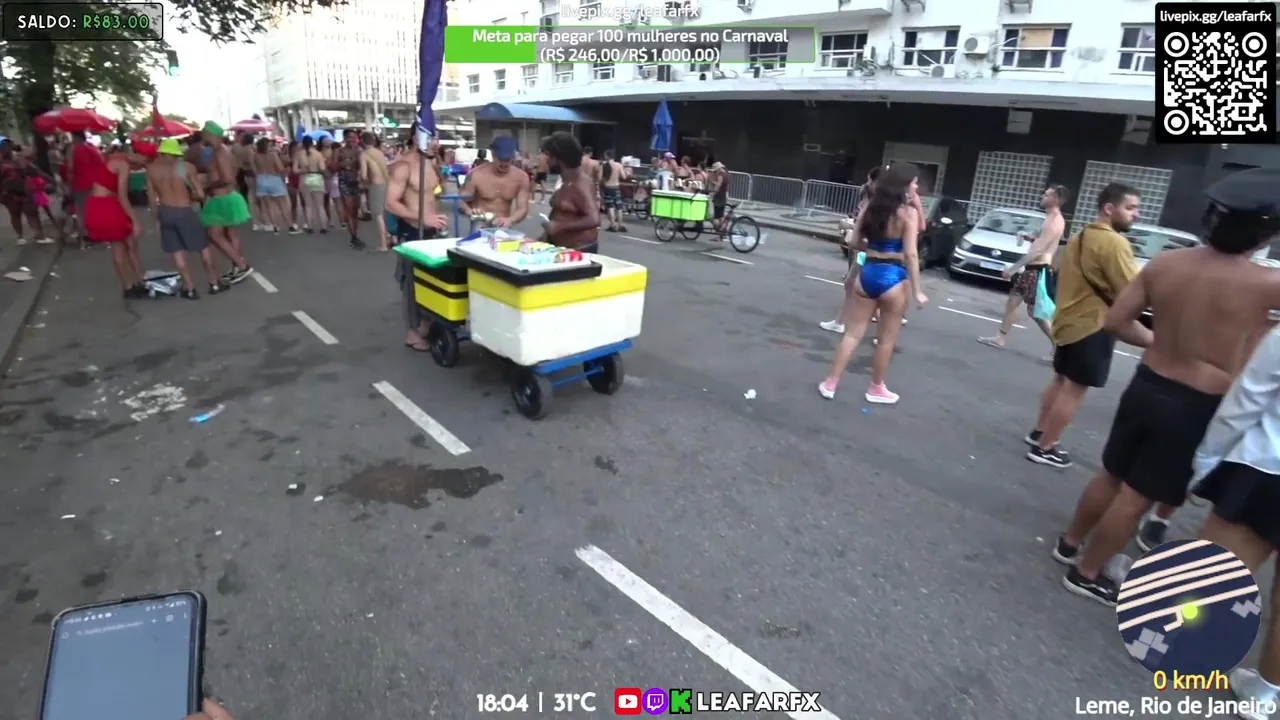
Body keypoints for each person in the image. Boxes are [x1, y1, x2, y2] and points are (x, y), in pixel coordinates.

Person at [1054, 168, 1280, 605]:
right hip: (1197, 403)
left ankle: (1069, 543)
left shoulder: (1166, 263)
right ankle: (1088, 572)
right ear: (1262, 234)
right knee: (1138, 496)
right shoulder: (1268, 284)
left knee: (1111, 474)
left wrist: (1160, 342)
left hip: (1148, 381)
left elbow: (1116, 321)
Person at [1192, 323, 1280, 715]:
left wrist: (1207, 457)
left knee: (1216, 569)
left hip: (1266, 466)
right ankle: (1264, 693)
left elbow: (1247, 399)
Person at [1025, 183, 1141, 469]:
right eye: (1130, 208)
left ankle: (1039, 432)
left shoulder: (1081, 235)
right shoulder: (1115, 243)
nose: (1136, 214)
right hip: (1094, 325)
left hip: (1068, 321)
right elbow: (1131, 290)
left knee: (1060, 380)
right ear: (1109, 208)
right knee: (1074, 389)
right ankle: (1046, 447)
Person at [817, 163, 928, 404]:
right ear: (904, 185)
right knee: (886, 340)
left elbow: (854, 241)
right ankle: (876, 388)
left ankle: (830, 383)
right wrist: (918, 291)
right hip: (894, 277)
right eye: (914, 182)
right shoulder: (907, 213)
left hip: (867, 273)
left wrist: (875, 250)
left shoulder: (870, 207)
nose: (917, 186)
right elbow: (911, 254)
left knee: (853, 334)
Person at [979, 185, 1070, 362]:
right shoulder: (1049, 218)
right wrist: (1027, 236)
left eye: (1047, 195)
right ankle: (1000, 338)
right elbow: (1039, 238)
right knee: (1014, 303)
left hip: (1037, 270)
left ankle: (1059, 347)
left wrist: (1013, 268)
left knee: (1035, 313)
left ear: (1056, 200)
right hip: (1033, 269)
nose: (1042, 196)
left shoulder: (1055, 221)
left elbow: (1038, 250)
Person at [386, 123, 449, 352]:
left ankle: (425, 325)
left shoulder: (431, 164)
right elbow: (390, 203)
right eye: (430, 138)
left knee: (432, 281)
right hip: (412, 232)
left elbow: (433, 195)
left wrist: (435, 215)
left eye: (436, 138)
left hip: (432, 231)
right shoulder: (403, 167)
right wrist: (422, 217)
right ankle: (412, 334)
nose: (435, 143)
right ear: (415, 137)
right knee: (411, 285)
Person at [146, 138, 226, 298]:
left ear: (161, 153)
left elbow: (152, 197)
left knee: (177, 251)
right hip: (184, 211)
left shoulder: (152, 170)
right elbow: (200, 194)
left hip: (165, 211)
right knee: (203, 248)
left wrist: (157, 218)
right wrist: (193, 196)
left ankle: (189, 288)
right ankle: (214, 283)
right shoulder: (185, 167)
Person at [79, 137, 146, 296]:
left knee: (127, 243)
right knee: (120, 245)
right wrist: (135, 221)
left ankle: (138, 281)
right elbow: (123, 196)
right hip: (107, 206)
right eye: (145, 161)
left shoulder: (109, 158)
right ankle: (131, 285)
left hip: (97, 204)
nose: (144, 165)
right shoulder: (123, 164)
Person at [198, 121, 254, 285]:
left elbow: (227, 178)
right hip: (228, 197)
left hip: (222, 198)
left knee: (214, 234)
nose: (202, 135)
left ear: (211, 134)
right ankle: (238, 266)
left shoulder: (219, 152)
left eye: (204, 132)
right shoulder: (223, 150)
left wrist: (207, 186)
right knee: (230, 233)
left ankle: (242, 265)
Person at [540, 132, 600, 254]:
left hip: (579, 251)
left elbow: (594, 219)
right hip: (561, 248)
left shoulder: (581, 184)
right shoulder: (566, 181)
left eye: (548, 155)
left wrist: (559, 226)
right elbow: (560, 213)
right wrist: (546, 236)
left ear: (559, 159)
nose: (546, 160)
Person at [458, 136, 529, 230]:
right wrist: (469, 212)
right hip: (480, 226)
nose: (504, 164)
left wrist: (510, 220)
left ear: (513, 156)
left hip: (503, 228)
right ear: (493, 154)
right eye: (500, 159)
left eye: (507, 159)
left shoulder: (521, 177)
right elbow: (460, 201)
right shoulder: (476, 175)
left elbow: (522, 209)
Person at [251, 137, 295, 234]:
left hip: (261, 179)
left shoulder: (255, 156)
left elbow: (254, 169)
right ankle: (290, 227)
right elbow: (280, 168)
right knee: (282, 204)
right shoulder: (273, 155)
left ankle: (275, 227)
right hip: (273, 178)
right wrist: (286, 169)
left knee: (268, 205)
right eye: (270, 145)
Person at [359, 132, 391, 251]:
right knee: (385, 213)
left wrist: (364, 183)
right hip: (386, 184)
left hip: (376, 186)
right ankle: (389, 236)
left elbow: (364, 175)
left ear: (362, 142)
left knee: (378, 216)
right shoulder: (379, 153)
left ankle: (383, 244)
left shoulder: (364, 155)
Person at [335, 129, 364, 249]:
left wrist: (354, 162)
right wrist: (343, 164)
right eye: (349, 137)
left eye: (354, 137)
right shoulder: (339, 151)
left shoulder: (359, 150)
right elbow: (333, 166)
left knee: (355, 211)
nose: (351, 139)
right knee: (349, 209)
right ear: (345, 138)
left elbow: (363, 165)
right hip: (344, 181)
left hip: (356, 181)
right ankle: (353, 237)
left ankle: (355, 235)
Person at [295, 136, 328, 233]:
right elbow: (322, 168)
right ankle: (323, 227)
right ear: (312, 143)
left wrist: (302, 170)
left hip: (304, 178)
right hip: (317, 178)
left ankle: (309, 226)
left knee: (308, 205)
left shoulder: (298, 154)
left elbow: (294, 170)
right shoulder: (318, 154)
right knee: (320, 205)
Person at [599, 149, 628, 233]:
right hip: (616, 187)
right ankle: (620, 225)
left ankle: (613, 225)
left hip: (608, 188)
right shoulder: (618, 165)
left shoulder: (604, 165)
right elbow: (624, 177)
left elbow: (600, 178)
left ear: (607, 156)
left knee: (610, 206)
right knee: (619, 207)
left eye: (605, 155)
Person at [707, 161, 729, 236]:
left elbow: (718, 186)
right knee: (721, 216)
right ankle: (724, 231)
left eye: (715, 171)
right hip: (723, 196)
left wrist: (712, 194)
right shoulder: (726, 174)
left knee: (716, 217)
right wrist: (714, 182)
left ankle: (719, 232)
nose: (715, 172)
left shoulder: (720, 175)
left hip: (718, 198)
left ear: (718, 169)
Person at [285, 140, 301, 229]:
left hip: (300, 179)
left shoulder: (301, 156)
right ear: (291, 148)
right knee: (293, 202)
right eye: (295, 147)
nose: (296, 149)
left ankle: (307, 222)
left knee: (304, 201)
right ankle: (293, 221)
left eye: (298, 147)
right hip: (291, 180)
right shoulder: (287, 157)